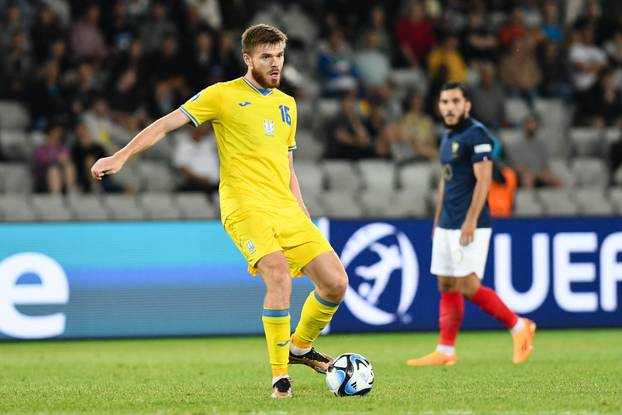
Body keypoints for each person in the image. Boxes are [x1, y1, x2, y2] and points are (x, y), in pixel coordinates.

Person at [91, 24, 348, 398]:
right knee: (278, 276)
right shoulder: (223, 96)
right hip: (244, 205)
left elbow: (286, 166)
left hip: (285, 207)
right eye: (266, 57)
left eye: (279, 56)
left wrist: (302, 209)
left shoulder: (287, 105)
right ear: (248, 59)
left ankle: (300, 348)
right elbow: (166, 124)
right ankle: (280, 380)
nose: (275, 64)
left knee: (335, 283)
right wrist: (121, 155)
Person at [406, 82, 536, 367]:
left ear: (467, 105)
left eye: (455, 101)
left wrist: (470, 221)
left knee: (466, 284)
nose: (449, 107)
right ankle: (446, 351)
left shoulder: (477, 134)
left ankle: (519, 326)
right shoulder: (447, 135)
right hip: (447, 223)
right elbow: (446, 179)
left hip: (470, 223)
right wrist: (438, 219)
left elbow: (484, 180)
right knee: (446, 282)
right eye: (444, 102)